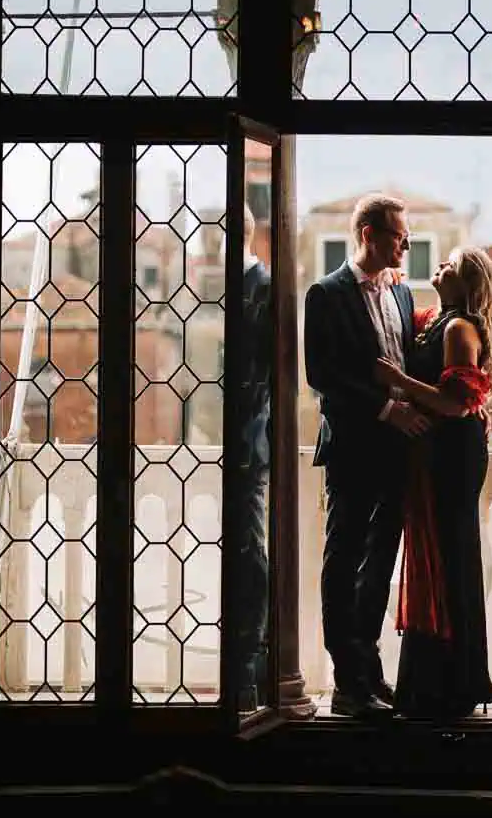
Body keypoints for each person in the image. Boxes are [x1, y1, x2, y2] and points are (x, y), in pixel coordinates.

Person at [303, 193, 429, 719]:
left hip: (399, 451)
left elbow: (404, 362)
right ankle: (347, 685)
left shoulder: (401, 292)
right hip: (354, 448)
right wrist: (386, 409)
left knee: (379, 565)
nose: (406, 244)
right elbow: (321, 376)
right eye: (399, 235)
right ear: (368, 235)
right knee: (344, 560)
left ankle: (369, 672)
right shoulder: (325, 294)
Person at [373, 245, 492, 722]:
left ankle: (450, 685)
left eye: (451, 265)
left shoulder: (458, 329)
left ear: (466, 284)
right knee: (436, 555)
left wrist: (398, 380)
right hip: (436, 451)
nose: (441, 266)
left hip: (452, 455)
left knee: (448, 557)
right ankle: (435, 684)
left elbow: (455, 404)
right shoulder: (434, 319)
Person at [224, 205, 272, 712]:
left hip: (248, 445)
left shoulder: (265, 287)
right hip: (222, 445)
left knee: (249, 551)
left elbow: (273, 377)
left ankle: (248, 667)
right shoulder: (218, 287)